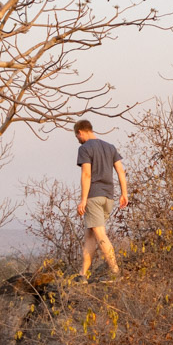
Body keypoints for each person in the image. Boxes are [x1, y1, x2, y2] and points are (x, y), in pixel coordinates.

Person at [72, 119, 128, 282]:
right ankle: (82, 275)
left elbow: (86, 174)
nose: (78, 139)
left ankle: (116, 273)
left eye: (77, 136)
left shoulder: (84, 148)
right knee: (90, 235)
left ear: (80, 132)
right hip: (108, 197)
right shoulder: (110, 147)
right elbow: (121, 171)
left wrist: (83, 200)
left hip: (94, 197)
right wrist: (124, 193)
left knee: (100, 235)